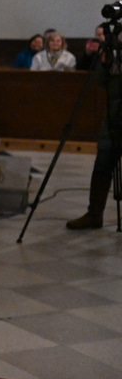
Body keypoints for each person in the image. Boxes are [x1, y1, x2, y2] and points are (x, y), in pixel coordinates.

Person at [67, 23, 117, 230]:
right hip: (113, 115)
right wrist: (105, 63)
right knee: (102, 165)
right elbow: (102, 82)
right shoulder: (114, 54)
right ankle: (94, 214)